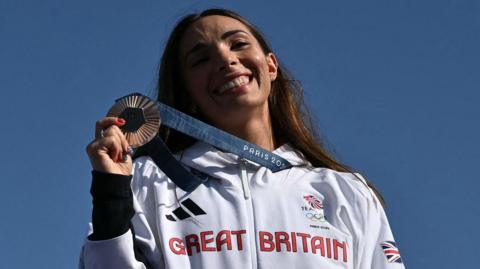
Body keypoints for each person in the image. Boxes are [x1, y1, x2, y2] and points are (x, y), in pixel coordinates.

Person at [80, 8, 405, 269]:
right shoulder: (149, 183)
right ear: (187, 91)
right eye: (201, 59)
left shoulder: (345, 192)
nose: (225, 59)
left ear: (271, 65)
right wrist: (111, 196)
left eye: (238, 44)